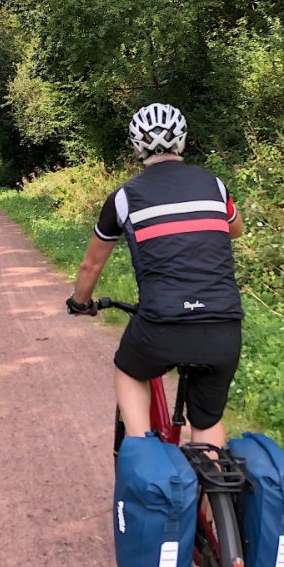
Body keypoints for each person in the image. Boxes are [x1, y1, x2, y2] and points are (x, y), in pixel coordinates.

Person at [66, 103, 244, 447]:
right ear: (183, 142)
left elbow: (90, 265)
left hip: (163, 325)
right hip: (223, 326)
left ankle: (142, 450)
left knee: (129, 370)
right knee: (207, 426)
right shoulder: (214, 185)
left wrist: (80, 303)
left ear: (136, 147)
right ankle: (214, 497)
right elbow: (234, 230)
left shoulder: (123, 198)